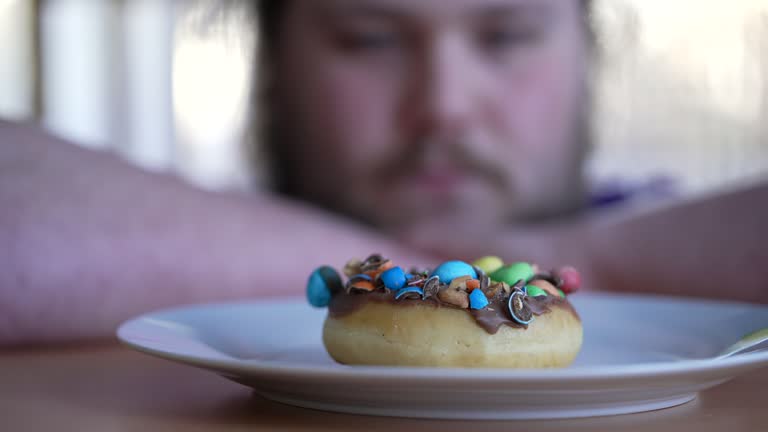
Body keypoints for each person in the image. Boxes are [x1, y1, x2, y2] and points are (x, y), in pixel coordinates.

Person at [0, 0, 766, 346]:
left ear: (587, 52)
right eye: (369, 39)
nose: (443, 109)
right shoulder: (174, 220)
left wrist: (577, 258)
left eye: (506, 35)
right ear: (273, 62)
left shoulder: (654, 215)